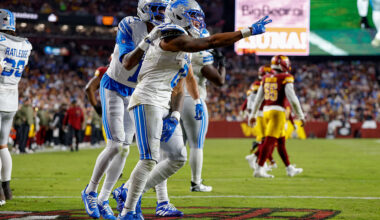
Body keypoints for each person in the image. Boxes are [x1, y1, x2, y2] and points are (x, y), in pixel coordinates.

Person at [117, 0, 272, 218]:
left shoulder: (184, 40)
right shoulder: (171, 34)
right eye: (192, 15)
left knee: (177, 157)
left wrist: (175, 114)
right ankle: (128, 211)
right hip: (147, 99)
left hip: (163, 103)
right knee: (149, 159)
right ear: (179, 16)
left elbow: (181, 82)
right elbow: (210, 41)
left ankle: (127, 191)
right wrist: (245, 32)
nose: (198, 19)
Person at [81, 0, 200, 219]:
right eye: (154, 8)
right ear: (143, 8)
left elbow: (183, 73)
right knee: (117, 145)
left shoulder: (171, 32)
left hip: (141, 92)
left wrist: (181, 108)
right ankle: (90, 191)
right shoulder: (130, 24)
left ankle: (105, 198)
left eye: (162, 9)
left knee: (138, 150)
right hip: (116, 86)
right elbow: (127, 62)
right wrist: (148, 40)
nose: (159, 13)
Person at [181, 30, 226, 192]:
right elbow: (219, 81)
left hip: (175, 100)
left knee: (176, 149)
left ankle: (159, 185)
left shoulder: (179, 50)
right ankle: (196, 182)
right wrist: (222, 64)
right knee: (196, 145)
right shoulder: (200, 56)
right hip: (193, 100)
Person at [248, 55, 305, 178]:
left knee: (281, 142)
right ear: (283, 64)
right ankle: (259, 168)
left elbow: (258, 98)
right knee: (269, 141)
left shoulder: (266, 77)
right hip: (277, 112)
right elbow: (293, 99)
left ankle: (289, 168)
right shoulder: (286, 77)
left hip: (267, 111)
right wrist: (300, 114)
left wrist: (253, 114)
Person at [0, 9, 32, 204]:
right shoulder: (26, 45)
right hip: (13, 96)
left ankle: (0, 193)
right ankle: (6, 187)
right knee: (2, 145)